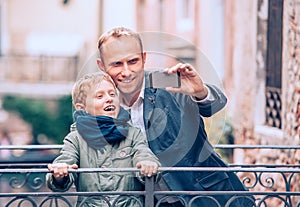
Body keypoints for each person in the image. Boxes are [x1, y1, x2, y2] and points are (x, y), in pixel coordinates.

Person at [96, 27, 254, 207]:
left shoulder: (165, 80)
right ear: (102, 66)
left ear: (144, 58)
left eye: (133, 61)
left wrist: (200, 92)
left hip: (203, 196)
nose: (126, 71)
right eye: (116, 64)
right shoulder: (101, 101)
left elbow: (215, 104)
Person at [46, 72, 161, 207]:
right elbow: (66, 159)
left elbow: (143, 152)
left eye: (112, 94)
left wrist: (148, 163)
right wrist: (60, 173)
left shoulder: (133, 133)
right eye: (99, 96)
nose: (109, 99)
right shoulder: (75, 139)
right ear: (81, 108)